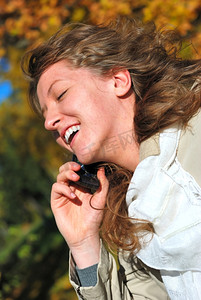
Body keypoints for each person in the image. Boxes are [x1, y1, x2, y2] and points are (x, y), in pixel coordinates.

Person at [21, 16, 201, 300]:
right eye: (45, 115)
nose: (49, 123)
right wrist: (84, 246)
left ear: (118, 80)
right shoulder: (128, 214)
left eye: (61, 94)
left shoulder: (194, 136)